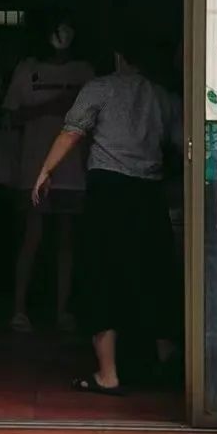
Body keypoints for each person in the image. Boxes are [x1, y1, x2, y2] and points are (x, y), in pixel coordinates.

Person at [32, 41, 181, 396]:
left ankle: (108, 374)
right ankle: (165, 365)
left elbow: (72, 131)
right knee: (154, 275)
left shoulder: (99, 88)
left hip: (108, 193)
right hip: (148, 194)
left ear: (117, 56)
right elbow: (182, 142)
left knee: (100, 277)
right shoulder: (163, 97)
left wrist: (46, 170)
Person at [2, 13, 93, 333]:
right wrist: (53, 106)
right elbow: (10, 117)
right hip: (33, 167)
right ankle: (19, 309)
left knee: (67, 241)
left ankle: (63, 311)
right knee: (32, 237)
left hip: (73, 169)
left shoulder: (84, 71)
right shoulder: (27, 70)